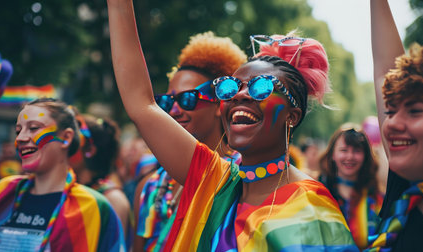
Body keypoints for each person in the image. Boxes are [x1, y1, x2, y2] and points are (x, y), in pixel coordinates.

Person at [107, 0, 358, 250]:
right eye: (230, 87)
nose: (239, 95)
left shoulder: (313, 210)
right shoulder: (214, 181)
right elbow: (141, 104)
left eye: (261, 87)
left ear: (292, 116)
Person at [133, 31, 246, 252]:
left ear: (220, 105)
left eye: (187, 99)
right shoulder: (150, 187)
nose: (174, 110)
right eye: (166, 101)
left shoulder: (243, 179)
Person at [0, 98, 125, 251]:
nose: (20, 138)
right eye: (18, 131)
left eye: (33, 128)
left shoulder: (93, 206)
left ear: (66, 138)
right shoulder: (2, 192)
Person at [366, 0, 423, 251]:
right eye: (390, 110)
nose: (392, 123)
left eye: (415, 112)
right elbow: (385, 73)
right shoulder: (409, 181)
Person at [70, 113, 131, 244]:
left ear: (90, 150)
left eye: (73, 141)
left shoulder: (113, 199)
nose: (64, 146)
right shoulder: (68, 189)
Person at [319, 124, 382, 250]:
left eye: (357, 151)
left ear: (365, 156)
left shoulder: (376, 199)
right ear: (332, 154)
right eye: (344, 150)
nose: (350, 157)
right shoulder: (317, 193)